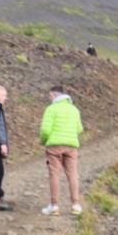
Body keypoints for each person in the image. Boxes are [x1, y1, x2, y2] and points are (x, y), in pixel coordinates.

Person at [39, 85, 85, 216]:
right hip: (71, 146)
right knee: (72, 174)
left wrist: (43, 141)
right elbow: (79, 128)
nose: (49, 98)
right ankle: (75, 205)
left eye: (50, 96)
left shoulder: (51, 109)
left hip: (54, 145)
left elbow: (45, 130)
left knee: (54, 174)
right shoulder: (74, 109)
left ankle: (54, 206)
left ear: (54, 95)